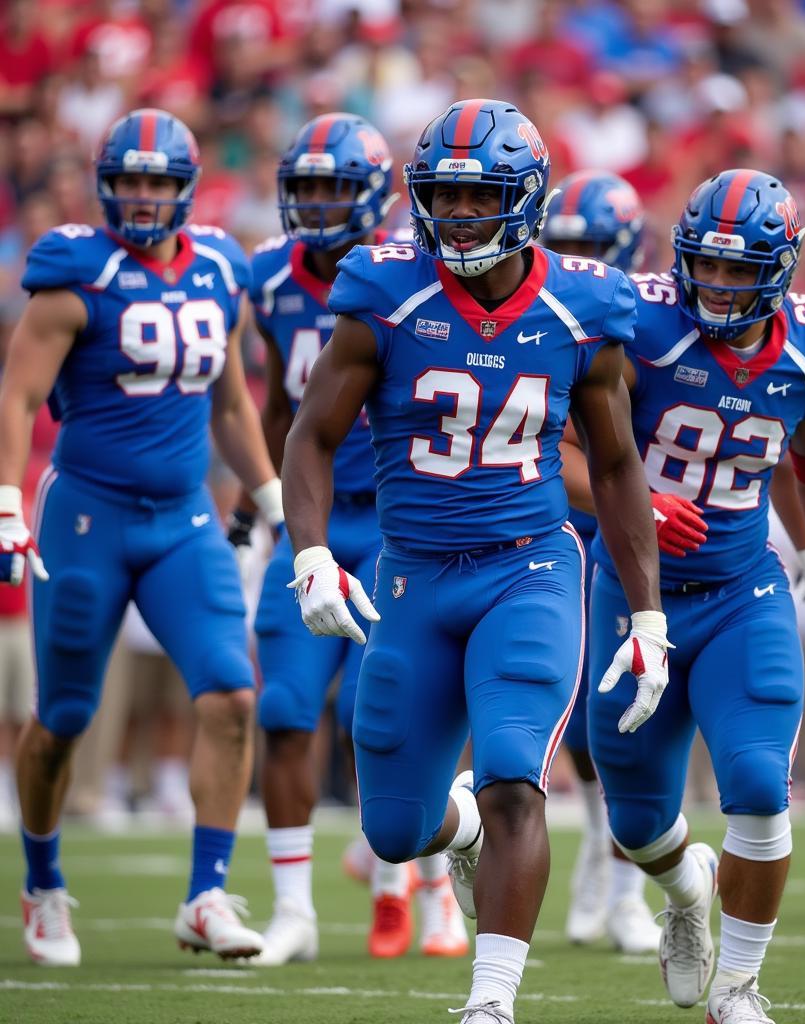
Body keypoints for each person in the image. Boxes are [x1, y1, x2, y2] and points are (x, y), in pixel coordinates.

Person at [281, 98, 671, 1024]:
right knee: (394, 829)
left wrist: (648, 613)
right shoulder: (383, 291)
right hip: (410, 574)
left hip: (528, 567)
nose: (457, 213)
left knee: (511, 773)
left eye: (478, 194)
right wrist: (308, 554)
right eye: (444, 194)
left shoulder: (583, 305)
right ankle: (451, 832)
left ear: (527, 198)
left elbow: (615, 465)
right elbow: (309, 437)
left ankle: (490, 1004)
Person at [565, 168, 805, 1023]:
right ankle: (683, 892)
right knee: (636, 820)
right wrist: (626, 498)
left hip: (744, 591)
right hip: (633, 591)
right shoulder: (640, 324)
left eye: (741, 271)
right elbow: (560, 449)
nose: (719, 285)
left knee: (755, 781)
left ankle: (739, 990)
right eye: (706, 265)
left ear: (781, 269)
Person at [0, 108, 284, 966]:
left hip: (183, 517)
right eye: (130, 180)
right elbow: (16, 396)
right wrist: (6, 499)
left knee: (232, 695)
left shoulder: (219, 272)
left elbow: (231, 402)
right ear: (106, 184)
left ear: (187, 188)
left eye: (159, 181)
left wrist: (271, 500)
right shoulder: (73, 271)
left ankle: (206, 895)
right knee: (63, 717)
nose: (144, 195)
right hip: (86, 515)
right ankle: (44, 885)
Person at [232, 112, 466, 964]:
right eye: (308, 189)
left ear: (373, 194)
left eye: (336, 187)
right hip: (316, 518)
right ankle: (295, 908)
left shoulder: (414, 271)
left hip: (404, 521)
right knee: (289, 707)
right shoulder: (267, 277)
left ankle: (432, 883)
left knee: (397, 713)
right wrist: (260, 498)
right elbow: (278, 409)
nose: (321, 204)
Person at [540, 169, 661, 953]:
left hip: (652, 528)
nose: (578, 258)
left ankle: (622, 889)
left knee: (629, 708)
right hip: (570, 523)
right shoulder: (547, 309)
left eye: (592, 245)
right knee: (583, 719)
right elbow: (561, 443)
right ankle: (595, 840)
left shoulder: (653, 318)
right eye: (569, 243)